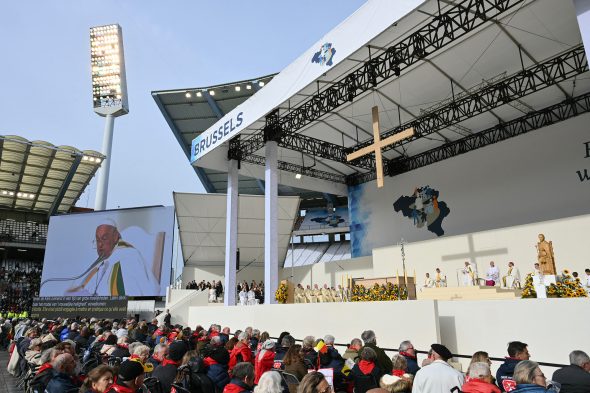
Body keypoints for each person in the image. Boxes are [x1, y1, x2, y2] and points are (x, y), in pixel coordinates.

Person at [64, 219, 160, 296]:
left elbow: (133, 291)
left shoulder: (129, 256)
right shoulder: (101, 263)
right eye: (97, 240)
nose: (100, 244)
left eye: (104, 238)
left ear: (115, 237)